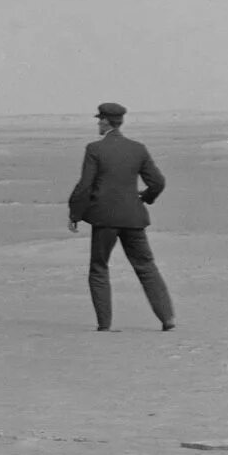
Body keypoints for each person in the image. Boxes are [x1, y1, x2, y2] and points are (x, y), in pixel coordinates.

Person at [67, 101, 174, 331]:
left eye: (99, 119)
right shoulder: (138, 149)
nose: (98, 123)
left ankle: (104, 325)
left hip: (105, 219)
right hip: (133, 217)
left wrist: (75, 213)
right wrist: (145, 197)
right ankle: (168, 319)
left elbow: (85, 185)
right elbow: (158, 182)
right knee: (146, 267)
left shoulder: (95, 149)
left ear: (106, 121)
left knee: (99, 268)